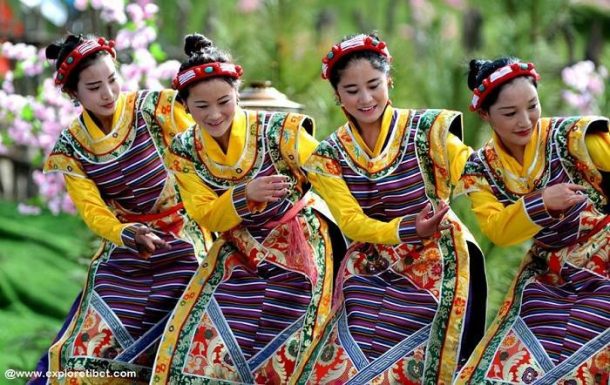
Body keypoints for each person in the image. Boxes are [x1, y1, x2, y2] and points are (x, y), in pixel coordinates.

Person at [293, 33, 487, 385]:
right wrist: (406, 230)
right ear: (337, 96)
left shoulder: (429, 132)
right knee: (340, 360)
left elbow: (475, 171)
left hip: (437, 262)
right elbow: (352, 222)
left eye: (374, 85)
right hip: (370, 264)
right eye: (352, 91)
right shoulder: (328, 155)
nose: (366, 99)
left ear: (389, 81)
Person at [150, 34, 337, 385]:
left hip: (300, 242)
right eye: (201, 107)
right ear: (186, 107)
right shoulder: (184, 149)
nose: (215, 114)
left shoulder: (279, 130)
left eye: (224, 101)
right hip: (240, 247)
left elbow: (332, 175)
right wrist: (244, 195)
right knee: (203, 339)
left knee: (291, 342)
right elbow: (204, 215)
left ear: (238, 94)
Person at [35, 33, 212, 384]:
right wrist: (125, 232)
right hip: (127, 248)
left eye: (112, 79)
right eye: (94, 87)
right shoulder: (70, 147)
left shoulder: (155, 109)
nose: (108, 93)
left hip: (184, 238)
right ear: (74, 94)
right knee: (83, 351)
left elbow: (200, 152)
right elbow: (93, 210)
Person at [454, 57, 610, 384]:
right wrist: (542, 203)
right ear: (484, 115)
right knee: (497, 367)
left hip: (604, 265)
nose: (525, 121)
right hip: (549, 274)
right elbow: (498, 230)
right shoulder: (481, 169)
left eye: (532, 106)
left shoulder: (575, 138)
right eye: (510, 114)